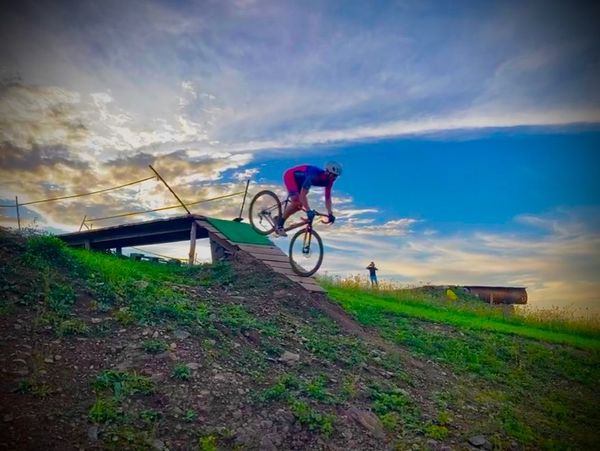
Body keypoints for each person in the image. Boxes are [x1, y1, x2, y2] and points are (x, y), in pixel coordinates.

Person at [275, 161, 342, 236]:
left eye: (336, 176)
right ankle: (279, 225)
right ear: (327, 172)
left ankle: (279, 218)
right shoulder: (314, 174)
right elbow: (303, 194)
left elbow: (328, 198)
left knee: (299, 206)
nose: (334, 178)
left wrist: (330, 213)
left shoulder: (329, 181)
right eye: (333, 175)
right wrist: (308, 210)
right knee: (297, 202)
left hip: (301, 181)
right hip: (291, 176)